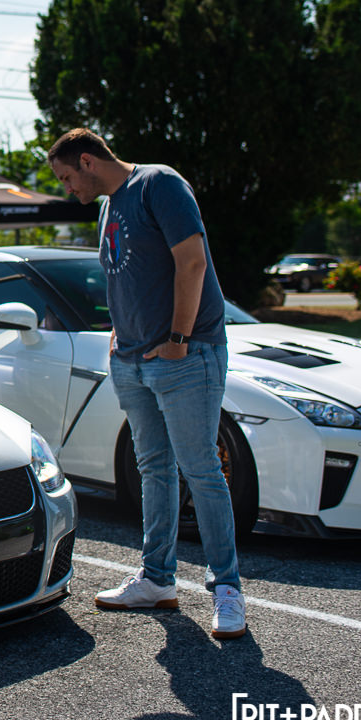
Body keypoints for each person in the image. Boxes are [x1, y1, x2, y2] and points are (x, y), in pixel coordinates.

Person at [47, 127, 245, 640]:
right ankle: (157, 579)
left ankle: (227, 589)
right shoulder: (108, 206)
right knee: (153, 469)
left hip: (185, 355)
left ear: (87, 161)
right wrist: (120, 332)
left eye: (67, 178)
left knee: (201, 470)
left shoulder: (159, 183)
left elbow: (193, 261)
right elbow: (126, 276)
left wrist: (178, 337)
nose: (68, 188)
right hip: (132, 359)